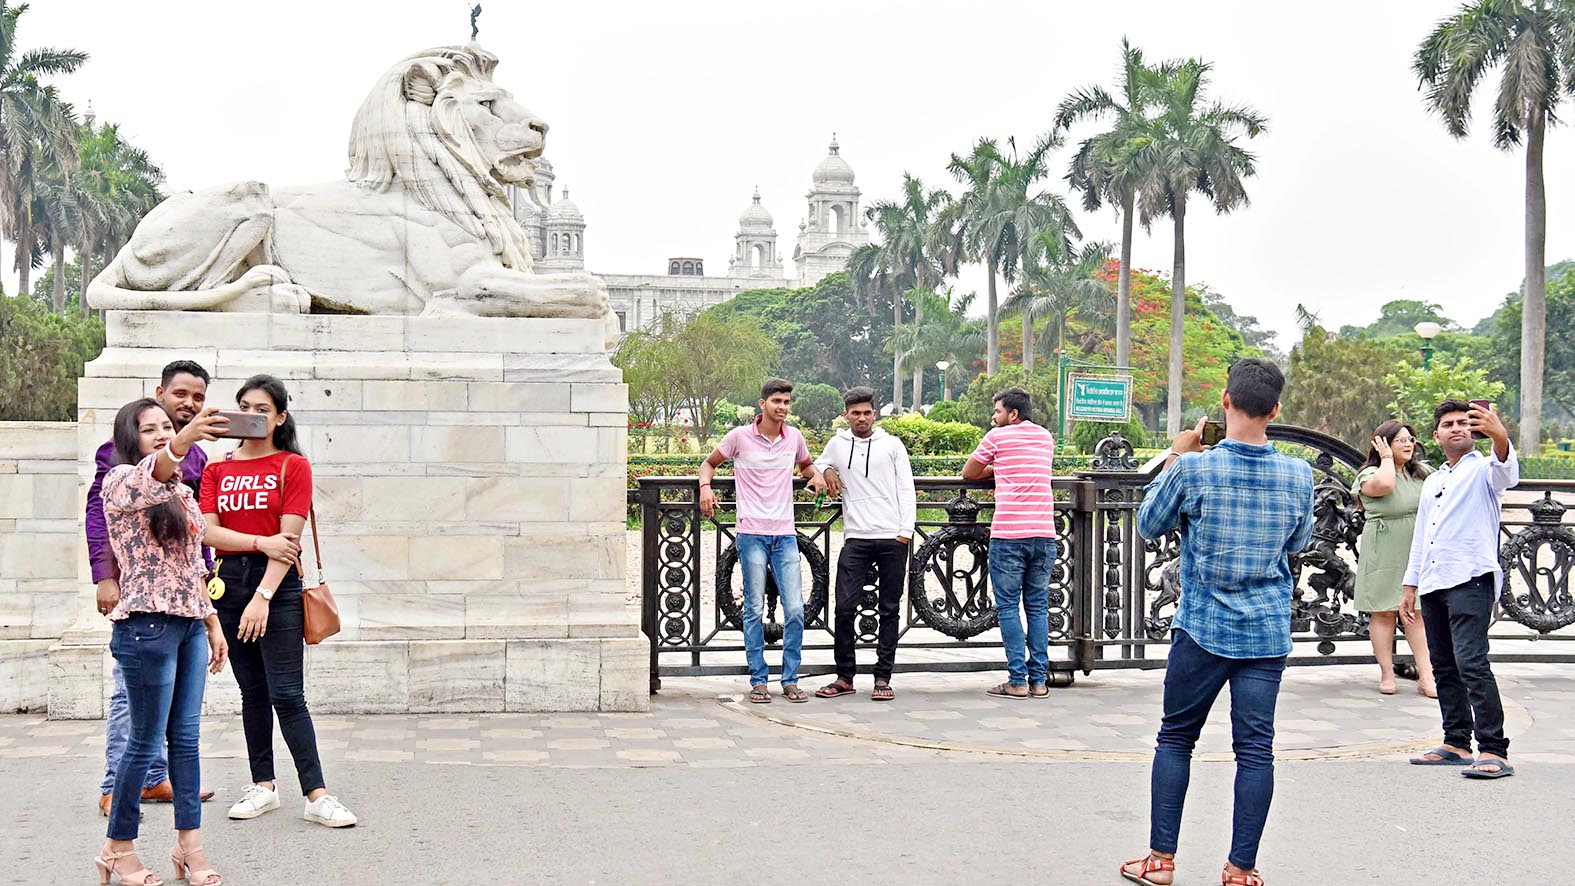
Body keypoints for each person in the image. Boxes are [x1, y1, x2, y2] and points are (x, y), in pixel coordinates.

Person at [1121, 359, 1315, 886]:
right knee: (1255, 749)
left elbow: (1147, 524)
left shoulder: (1193, 468)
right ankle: (1241, 869)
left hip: (1203, 625)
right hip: (1267, 629)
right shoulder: (1300, 475)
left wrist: (1175, 457)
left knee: (1176, 737)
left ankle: (1160, 861)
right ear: (1275, 410)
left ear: (1226, 401)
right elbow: (1297, 545)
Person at [198, 374, 358, 827]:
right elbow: (207, 531)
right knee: (252, 692)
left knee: (288, 694)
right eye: (245, 406)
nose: (253, 415)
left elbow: (289, 541)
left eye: (263, 408)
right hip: (228, 583)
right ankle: (263, 785)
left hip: (277, 588)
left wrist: (263, 595)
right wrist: (259, 542)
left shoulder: (293, 466)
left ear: (280, 416)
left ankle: (317, 794)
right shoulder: (216, 469)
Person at [95, 399, 230, 886]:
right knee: (145, 742)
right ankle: (118, 847)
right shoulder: (121, 482)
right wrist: (185, 437)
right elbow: (157, 470)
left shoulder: (182, 494)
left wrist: (212, 623)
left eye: (166, 426)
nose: (159, 433)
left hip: (191, 624)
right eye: (147, 428)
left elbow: (194, 561)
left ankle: (189, 846)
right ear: (129, 438)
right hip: (145, 628)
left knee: (187, 743)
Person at [88, 360, 217, 816]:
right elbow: (105, 509)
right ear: (161, 392)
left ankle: (160, 787)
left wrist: (209, 614)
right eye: (180, 395)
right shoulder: (120, 463)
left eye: (198, 398)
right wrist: (105, 575)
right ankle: (114, 788)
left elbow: (193, 542)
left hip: (187, 612)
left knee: (184, 731)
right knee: (133, 703)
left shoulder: (192, 463)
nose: (188, 405)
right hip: (143, 611)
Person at [1402, 399, 1518, 779]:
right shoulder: (1432, 481)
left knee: (1471, 662)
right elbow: (1422, 535)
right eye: (1448, 424)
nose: (1456, 428)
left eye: (1463, 423)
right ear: (1435, 436)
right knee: (1443, 665)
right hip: (1434, 582)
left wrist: (1498, 433)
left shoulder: (1485, 470)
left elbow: (1507, 471)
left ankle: (1494, 749)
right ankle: (1455, 742)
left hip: (1471, 577)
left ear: (1473, 431)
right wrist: (1410, 584)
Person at [699, 378, 824, 704]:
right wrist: (705, 487)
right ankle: (758, 679)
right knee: (753, 608)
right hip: (751, 533)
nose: (782, 408)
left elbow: (806, 466)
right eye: (776, 402)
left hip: (785, 534)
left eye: (786, 402)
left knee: (795, 609)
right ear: (762, 404)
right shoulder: (739, 437)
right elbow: (709, 463)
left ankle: (790, 679)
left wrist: (818, 476)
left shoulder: (793, 437)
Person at [812, 386, 917, 701]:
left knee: (889, 610)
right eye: (855, 413)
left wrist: (905, 532)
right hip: (856, 537)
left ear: (875, 414)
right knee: (843, 608)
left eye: (866, 413)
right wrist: (828, 469)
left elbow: (906, 488)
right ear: (846, 415)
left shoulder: (892, 445)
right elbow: (815, 465)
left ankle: (882, 678)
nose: (861, 418)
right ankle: (844, 677)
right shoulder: (837, 443)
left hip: (892, 538)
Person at [961, 386, 1057, 699]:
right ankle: (1039, 681)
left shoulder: (997, 437)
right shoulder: (1045, 437)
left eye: (998, 412)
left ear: (1012, 414)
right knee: (1038, 608)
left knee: (1008, 608)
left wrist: (997, 466)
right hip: (1044, 533)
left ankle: (1017, 680)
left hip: (1009, 536)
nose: (994, 417)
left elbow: (969, 472)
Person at [1353, 420, 1436, 697]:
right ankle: (1387, 673)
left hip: (1415, 546)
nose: (1409, 444)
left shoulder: (1422, 473)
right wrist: (1387, 458)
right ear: (1383, 443)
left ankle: (1427, 675)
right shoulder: (1370, 474)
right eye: (1400, 440)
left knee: (1417, 612)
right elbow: (1386, 485)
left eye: (1411, 439)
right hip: (1384, 546)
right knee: (1384, 611)